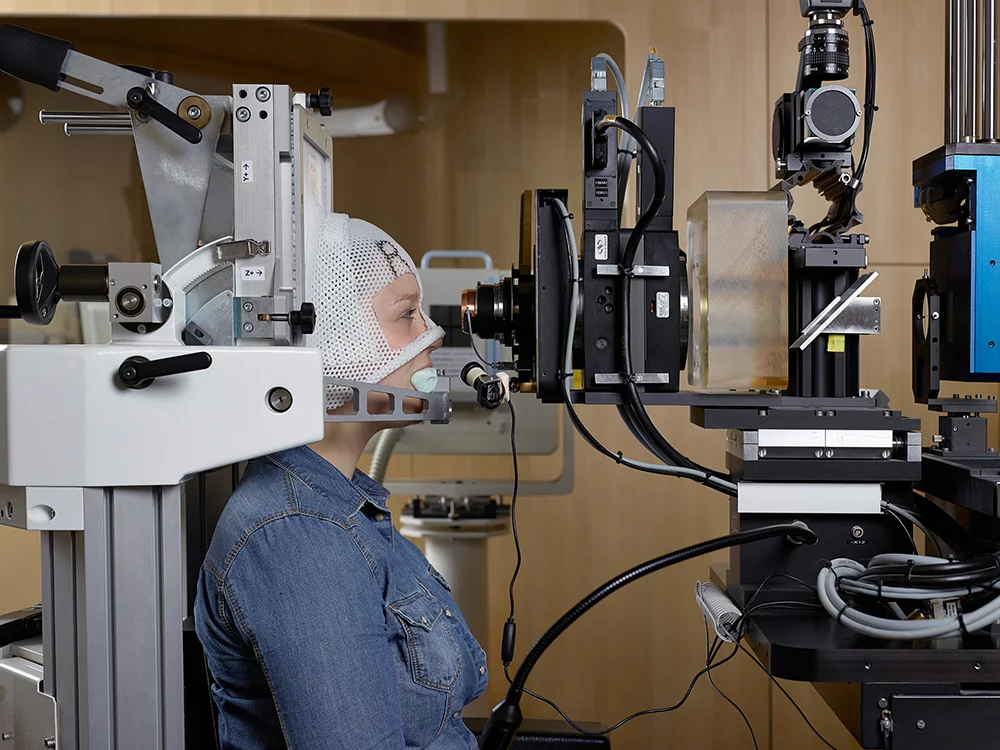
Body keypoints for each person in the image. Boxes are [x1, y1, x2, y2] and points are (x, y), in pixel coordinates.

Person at [194, 201, 488, 750]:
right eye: (406, 315)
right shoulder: (299, 536)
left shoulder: (341, 504)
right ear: (329, 339)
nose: (434, 335)